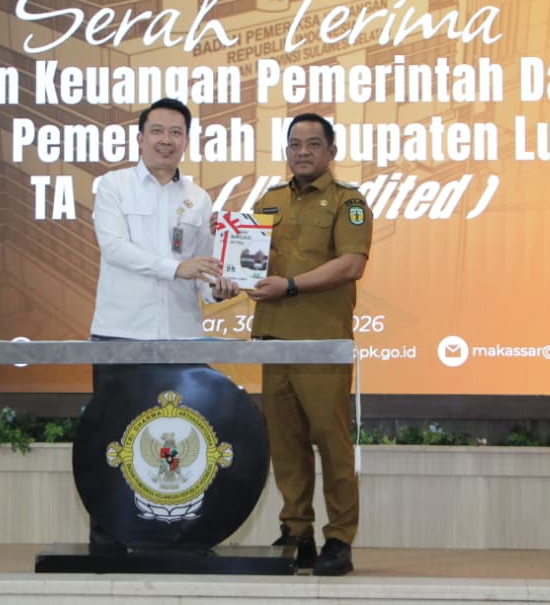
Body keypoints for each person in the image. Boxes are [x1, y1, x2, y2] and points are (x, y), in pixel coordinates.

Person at [86, 97, 236, 548]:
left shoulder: (198, 198)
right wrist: (176, 268)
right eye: (157, 131)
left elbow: (203, 267)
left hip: (181, 335)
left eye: (176, 132)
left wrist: (219, 287)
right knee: (112, 438)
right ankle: (108, 539)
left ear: (186, 141)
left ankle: (180, 535)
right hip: (121, 330)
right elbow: (115, 248)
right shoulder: (113, 187)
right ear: (140, 138)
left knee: (181, 434)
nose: (166, 140)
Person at [248, 113, 371, 576]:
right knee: (286, 444)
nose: (302, 152)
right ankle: (297, 532)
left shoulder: (348, 202)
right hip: (274, 338)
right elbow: (250, 260)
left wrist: (292, 285)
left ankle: (339, 537)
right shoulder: (269, 200)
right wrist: (229, 270)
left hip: (321, 343)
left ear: (331, 152)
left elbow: (351, 264)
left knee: (331, 442)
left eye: (313, 144)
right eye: (295, 144)